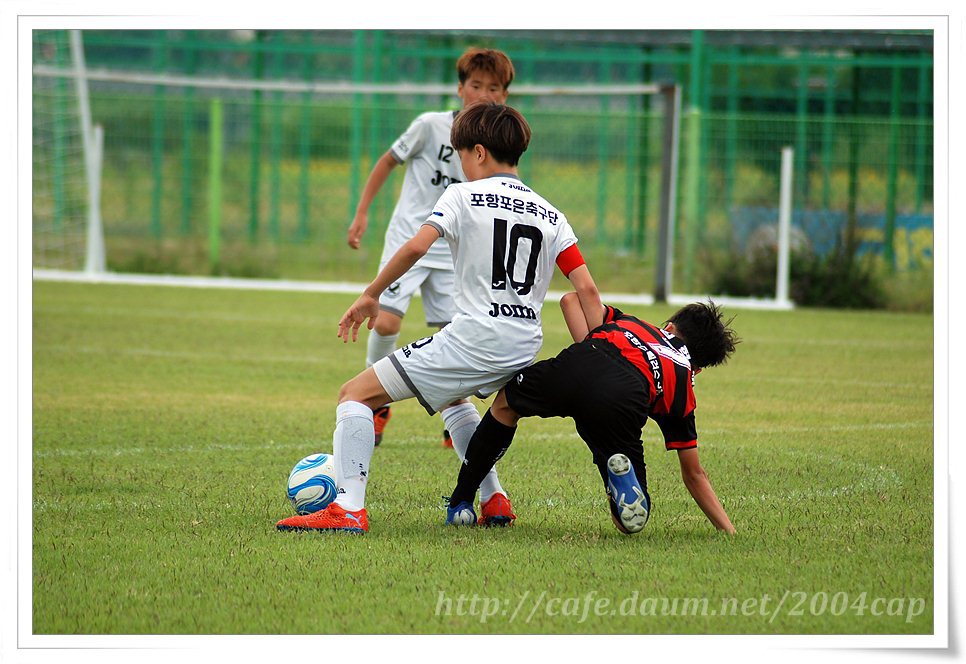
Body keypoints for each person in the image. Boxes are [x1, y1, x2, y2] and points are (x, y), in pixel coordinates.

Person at [276, 102, 603, 534]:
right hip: (523, 345)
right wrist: (603, 353)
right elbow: (587, 290)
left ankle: (348, 509)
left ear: (479, 153)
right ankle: (494, 498)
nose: (461, 165)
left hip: (474, 339)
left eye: (462, 155)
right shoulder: (551, 214)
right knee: (454, 398)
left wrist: (372, 294)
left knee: (354, 395)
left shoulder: (461, 195)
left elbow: (417, 246)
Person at [445, 293, 739, 535]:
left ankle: (461, 502)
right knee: (627, 522)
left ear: (669, 328)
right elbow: (693, 474)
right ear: (698, 368)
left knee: (506, 406)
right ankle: (622, 484)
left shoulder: (634, 323)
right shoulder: (683, 382)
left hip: (586, 358)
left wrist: (591, 346)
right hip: (624, 399)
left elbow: (570, 300)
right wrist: (729, 530)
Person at [346, 47, 515, 449]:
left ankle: (455, 415)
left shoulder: (495, 145)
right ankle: (376, 404)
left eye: (494, 88)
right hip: (410, 238)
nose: (484, 95)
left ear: (505, 96)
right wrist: (362, 212)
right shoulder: (430, 125)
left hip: (453, 250)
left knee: (454, 335)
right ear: (460, 89)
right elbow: (387, 161)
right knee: (386, 323)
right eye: (476, 85)